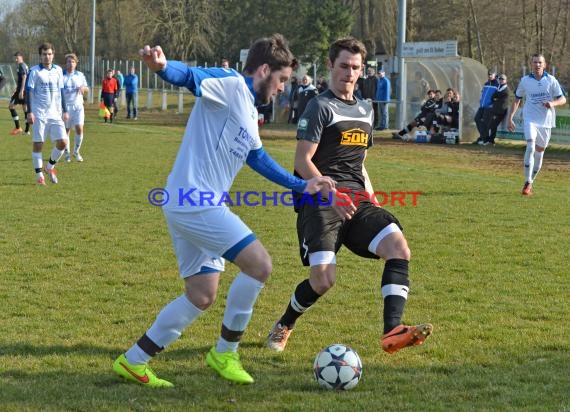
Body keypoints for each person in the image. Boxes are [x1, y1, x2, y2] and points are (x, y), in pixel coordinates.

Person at [112, 34, 336, 388]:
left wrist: (302, 185)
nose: (281, 89)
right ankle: (225, 352)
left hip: (191, 203)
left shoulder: (247, 108)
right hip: (193, 200)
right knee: (260, 265)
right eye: (281, 80)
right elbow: (191, 77)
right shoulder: (231, 84)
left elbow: (256, 158)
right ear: (264, 70)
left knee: (202, 294)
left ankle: (134, 361)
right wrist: (163, 67)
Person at [266, 37, 432, 355]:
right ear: (331, 66)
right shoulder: (319, 106)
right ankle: (285, 323)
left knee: (398, 247)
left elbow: (360, 163)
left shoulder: (365, 109)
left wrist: (372, 198)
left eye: (356, 67)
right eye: (344, 66)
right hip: (321, 201)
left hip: (358, 200)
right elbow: (302, 161)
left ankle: (392, 330)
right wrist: (331, 194)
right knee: (323, 281)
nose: (350, 73)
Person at [507, 54, 566, 196]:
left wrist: (552, 103)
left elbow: (562, 99)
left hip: (545, 122)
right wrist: (510, 118)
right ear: (531, 64)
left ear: (544, 65)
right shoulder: (525, 80)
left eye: (540, 62)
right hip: (530, 119)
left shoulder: (551, 80)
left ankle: (530, 182)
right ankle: (527, 181)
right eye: (535, 62)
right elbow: (517, 99)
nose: (537, 65)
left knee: (539, 154)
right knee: (530, 146)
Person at [26, 42, 69, 185]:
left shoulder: (58, 70)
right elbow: (29, 92)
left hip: (56, 114)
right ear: (40, 56)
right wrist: (30, 112)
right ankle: (40, 176)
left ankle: (49, 167)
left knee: (63, 142)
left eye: (49, 54)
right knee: (38, 144)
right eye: (44, 54)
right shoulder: (34, 71)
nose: (47, 57)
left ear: (53, 55)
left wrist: (65, 110)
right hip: (39, 114)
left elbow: (61, 91)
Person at [62, 53, 88, 162]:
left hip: (78, 106)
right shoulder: (61, 75)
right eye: (69, 61)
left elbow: (87, 88)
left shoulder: (80, 75)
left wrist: (83, 88)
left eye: (73, 62)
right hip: (65, 107)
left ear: (76, 63)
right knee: (66, 131)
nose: (71, 64)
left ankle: (76, 152)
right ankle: (67, 153)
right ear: (66, 63)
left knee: (79, 128)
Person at [481, 74, 509, 146]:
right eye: (500, 79)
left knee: (492, 125)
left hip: (501, 111)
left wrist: (496, 98)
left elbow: (499, 96)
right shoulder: (499, 87)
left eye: (502, 79)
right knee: (491, 125)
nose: (501, 80)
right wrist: (496, 98)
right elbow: (493, 97)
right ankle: (489, 140)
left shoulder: (506, 89)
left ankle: (491, 141)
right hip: (495, 109)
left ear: (506, 81)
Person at [473, 70, 499, 144]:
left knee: (485, 123)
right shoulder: (486, 84)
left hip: (489, 107)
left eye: (491, 74)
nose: (490, 76)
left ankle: (485, 139)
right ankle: (484, 137)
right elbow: (483, 93)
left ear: (494, 75)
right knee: (477, 119)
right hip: (482, 106)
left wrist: (492, 104)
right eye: (489, 74)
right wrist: (481, 101)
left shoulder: (497, 85)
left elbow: (497, 97)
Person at [9, 52, 30, 135]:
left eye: (17, 58)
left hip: (22, 91)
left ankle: (18, 128)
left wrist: (21, 90)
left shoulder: (21, 65)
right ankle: (27, 130)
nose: (16, 59)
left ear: (21, 57)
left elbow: (24, 77)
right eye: (15, 58)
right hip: (24, 90)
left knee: (11, 106)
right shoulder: (24, 65)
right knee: (25, 109)